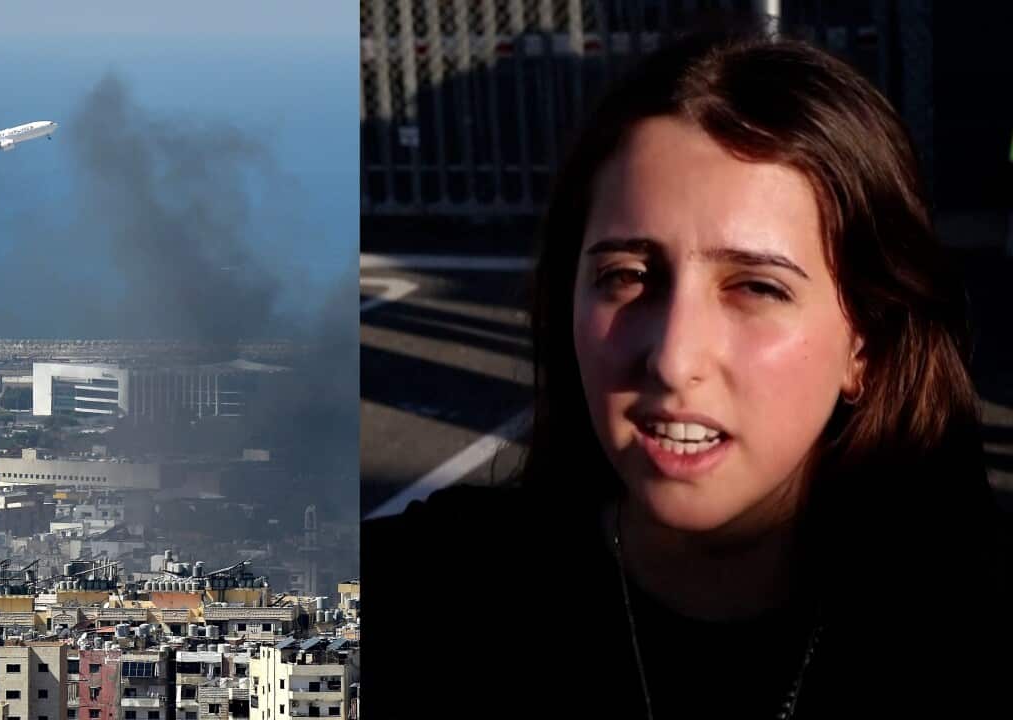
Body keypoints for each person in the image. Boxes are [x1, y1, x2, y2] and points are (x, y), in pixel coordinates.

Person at [363, 30, 1012, 718]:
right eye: (627, 276)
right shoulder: (440, 594)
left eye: (757, 288)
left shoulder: (974, 637)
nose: (673, 358)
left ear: (867, 345)